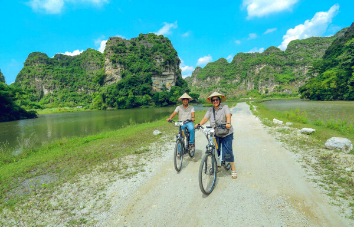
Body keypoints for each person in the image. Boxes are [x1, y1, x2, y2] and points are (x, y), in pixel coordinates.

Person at [195, 92, 237, 179]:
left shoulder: (225, 107)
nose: (215, 101)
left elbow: (228, 115)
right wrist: (199, 124)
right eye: (213, 100)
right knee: (215, 149)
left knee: (228, 151)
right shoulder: (210, 110)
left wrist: (228, 123)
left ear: (219, 100)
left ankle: (233, 169)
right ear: (211, 101)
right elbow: (205, 118)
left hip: (226, 132)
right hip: (215, 132)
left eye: (216, 99)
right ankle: (217, 165)